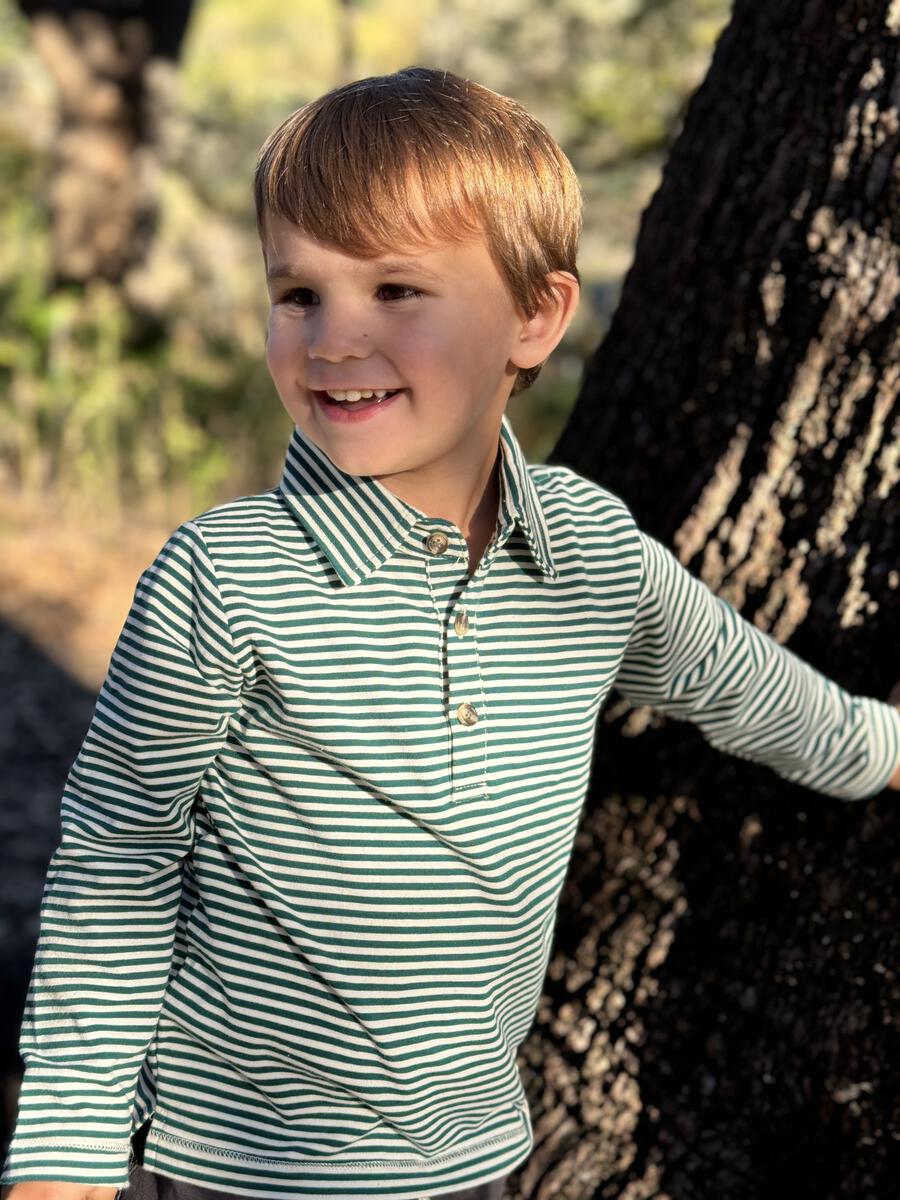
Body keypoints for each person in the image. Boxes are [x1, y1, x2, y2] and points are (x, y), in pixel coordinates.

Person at [2, 66, 899, 1200]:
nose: (333, 339)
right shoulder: (226, 578)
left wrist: (877, 746)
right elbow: (115, 864)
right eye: (299, 295)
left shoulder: (584, 553)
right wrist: (65, 1152)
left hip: (472, 1152)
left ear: (536, 315)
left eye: (396, 291)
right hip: (246, 1164)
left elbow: (738, 682)